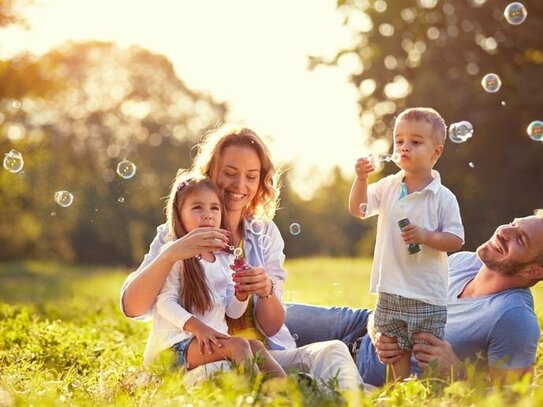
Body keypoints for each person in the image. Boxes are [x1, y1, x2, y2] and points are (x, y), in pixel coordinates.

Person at [120, 125, 363, 391]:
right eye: (230, 173)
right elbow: (132, 307)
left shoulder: (264, 233)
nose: (240, 185)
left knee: (333, 351)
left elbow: (270, 327)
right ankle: (285, 393)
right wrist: (171, 253)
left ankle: (349, 399)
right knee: (238, 374)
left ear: (261, 181)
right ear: (211, 173)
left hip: (263, 355)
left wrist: (263, 290)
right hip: (202, 357)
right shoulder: (176, 234)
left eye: (251, 176)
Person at [285, 209, 543, 387]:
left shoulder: (514, 318)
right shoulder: (464, 262)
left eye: (519, 238)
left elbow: (511, 400)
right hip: (357, 325)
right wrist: (378, 327)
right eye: (513, 223)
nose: (504, 232)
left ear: (533, 271)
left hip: (365, 372)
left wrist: (457, 374)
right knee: (265, 316)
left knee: (264, 359)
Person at [348, 107, 464, 381]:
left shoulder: (442, 197)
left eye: (415, 141)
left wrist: (426, 236)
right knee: (394, 349)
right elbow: (359, 208)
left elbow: (456, 239)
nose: (404, 147)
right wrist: (361, 179)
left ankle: (435, 393)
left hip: (427, 292)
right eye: (399, 140)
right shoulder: (389, 186)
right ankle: (399, 392)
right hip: (391, 287)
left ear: (436, 152)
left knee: (428, 352)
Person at [145, 173, 286, 378]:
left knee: (255, 346)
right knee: (238, 345)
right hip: (173, 349)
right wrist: (199, 329)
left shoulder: (224, 259)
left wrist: (241, 294)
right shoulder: (174, 254)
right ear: (179, 214)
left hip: (208, 344)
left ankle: (286, 391)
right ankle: (254, 396)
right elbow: (164, 303)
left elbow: (233, 312)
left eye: (214, 208)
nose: (208, 215)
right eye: (197, 208)